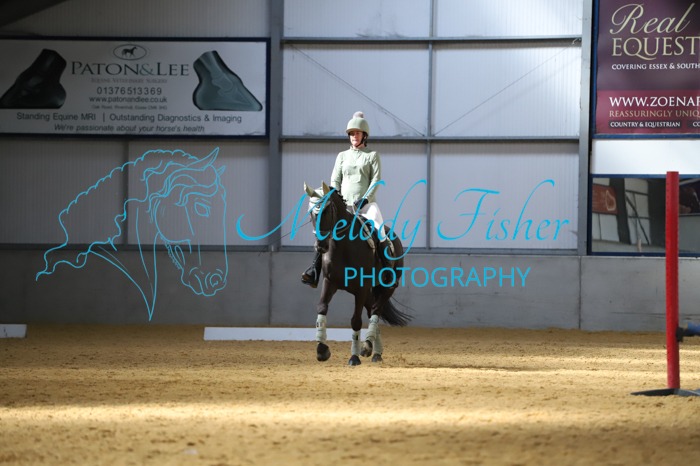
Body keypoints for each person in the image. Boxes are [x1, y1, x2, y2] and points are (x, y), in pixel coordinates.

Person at [301, 111, 394, 288]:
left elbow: (376, 180)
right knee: (325, 231)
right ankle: (314, 270)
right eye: (351, 134)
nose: (354, 136)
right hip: (344, 206)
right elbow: (335, 180)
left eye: (357, 133)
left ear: (364, 135)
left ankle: (387, 269)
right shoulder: (342, 156)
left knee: (379, 229)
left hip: (366, 206)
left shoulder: (372, 155)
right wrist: (334, 197)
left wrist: (366, 199)